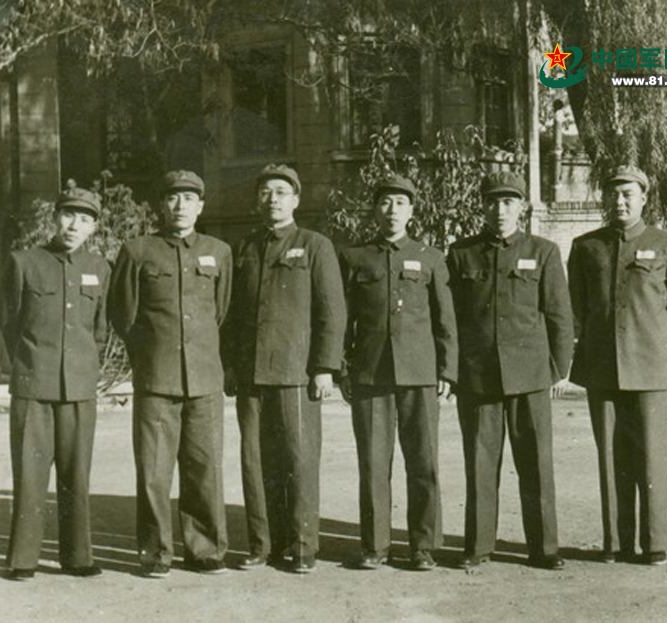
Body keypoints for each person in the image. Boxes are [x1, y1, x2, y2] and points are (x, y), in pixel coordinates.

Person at [567, 165, 667, 566]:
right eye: (613, 194)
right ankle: (616, 542)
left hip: (653, 369)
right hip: (603, 368)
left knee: (653, 458)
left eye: (628, 194)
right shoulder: (586, 246)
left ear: (644, 198)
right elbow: (578, 304)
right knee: (611, 459)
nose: (620, 201)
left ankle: (655, 542)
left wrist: (654, 339)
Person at [447, 171, 574, 572]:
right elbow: (450, 319)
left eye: (507, 202)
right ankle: (478, 546)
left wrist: (558, 369)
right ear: (481, 206)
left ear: (522, 207)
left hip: (530, 375)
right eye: (491, 201)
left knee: (536, 464)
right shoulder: (461, 254)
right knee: (480, 464)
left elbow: (559, 314)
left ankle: (544, 548)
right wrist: (452, 371)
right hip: (478, 376)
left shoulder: (544, 251)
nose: (499, 210)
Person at [109, 170, 232, 578]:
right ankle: (155, 553)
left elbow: (221, 312)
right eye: (173, 198)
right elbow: (122, 314)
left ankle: (205, 550)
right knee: (154, 472)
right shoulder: (137, 251)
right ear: (162, 205)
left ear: (201, 205)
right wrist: (149, 354)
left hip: (204, 379)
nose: (180, 206)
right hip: (156, 379)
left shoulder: (218, 251)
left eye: (189, 198)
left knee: (204, 469)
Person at [225, 164, 346, 574]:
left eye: (281, 192)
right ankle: (262, 544)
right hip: (251, 373)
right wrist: (230, 365)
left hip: (297, 372)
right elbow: (231, 315)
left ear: (296, 199)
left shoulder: (315, 245)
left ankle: (302, 546)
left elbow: (332, 311)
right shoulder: (244, 247)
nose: (272, 199)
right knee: (255, 461)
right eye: (265, 192)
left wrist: (325, 367)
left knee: (298, 460)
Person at [338, 175, 458, 571]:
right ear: (375, 209)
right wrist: (342, 368)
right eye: (385, 203)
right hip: (370, 375)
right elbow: (343, 320)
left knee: (423, 463)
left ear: (412, 210)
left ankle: (423, 546)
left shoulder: (430, 257)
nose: (392, 211)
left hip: (420, 374)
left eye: (400, 203)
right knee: (373, 464)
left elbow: (445, 320)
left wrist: (447, 370)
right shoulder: (355, 257)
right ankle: (375, 546)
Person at [0, 187, 110, 581]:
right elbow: (7, 323)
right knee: (30, 474)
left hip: (79, 386)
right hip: (34, 384)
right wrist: (25, 367)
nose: (74, 225)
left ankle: (77, 557)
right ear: (55, 217)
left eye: (85, 219)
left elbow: (99, 330)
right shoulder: (24, 262)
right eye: (68, 215)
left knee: (77, 473)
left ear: (93, 227)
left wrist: (84, 368)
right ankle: (22, 558)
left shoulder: (100, 267)